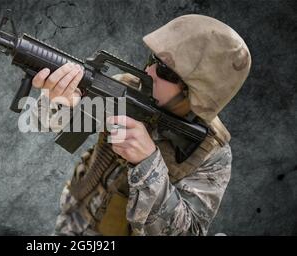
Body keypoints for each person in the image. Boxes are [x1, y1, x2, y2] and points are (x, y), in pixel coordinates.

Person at [30, 14, 251, 235]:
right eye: (153, 59)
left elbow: (188, 231)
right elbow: (41, 124)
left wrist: (148, 164)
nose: (149, 71)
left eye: (165, 70)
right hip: (75, 219)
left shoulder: (211, 153)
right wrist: (59, 102)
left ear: (197, 93)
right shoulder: (128, 87)